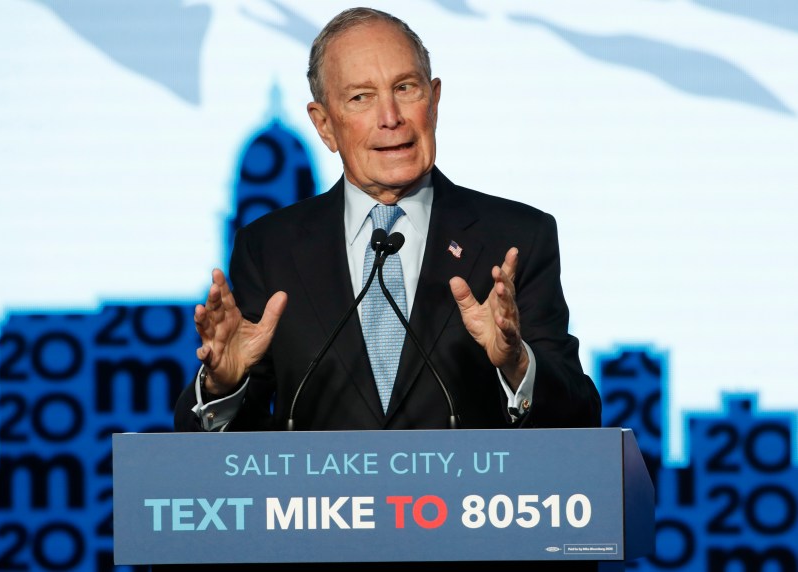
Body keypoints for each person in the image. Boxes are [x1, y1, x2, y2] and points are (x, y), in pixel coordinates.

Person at [170, 7, 601, 569]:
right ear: (323, 124)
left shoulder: (516, 238)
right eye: (360, 97)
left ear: (435, 99)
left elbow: (578, 414)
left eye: (405, 88)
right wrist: (225, 382)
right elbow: (226, 457)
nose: (391, 116)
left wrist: (516, 366)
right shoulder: (269, 248)